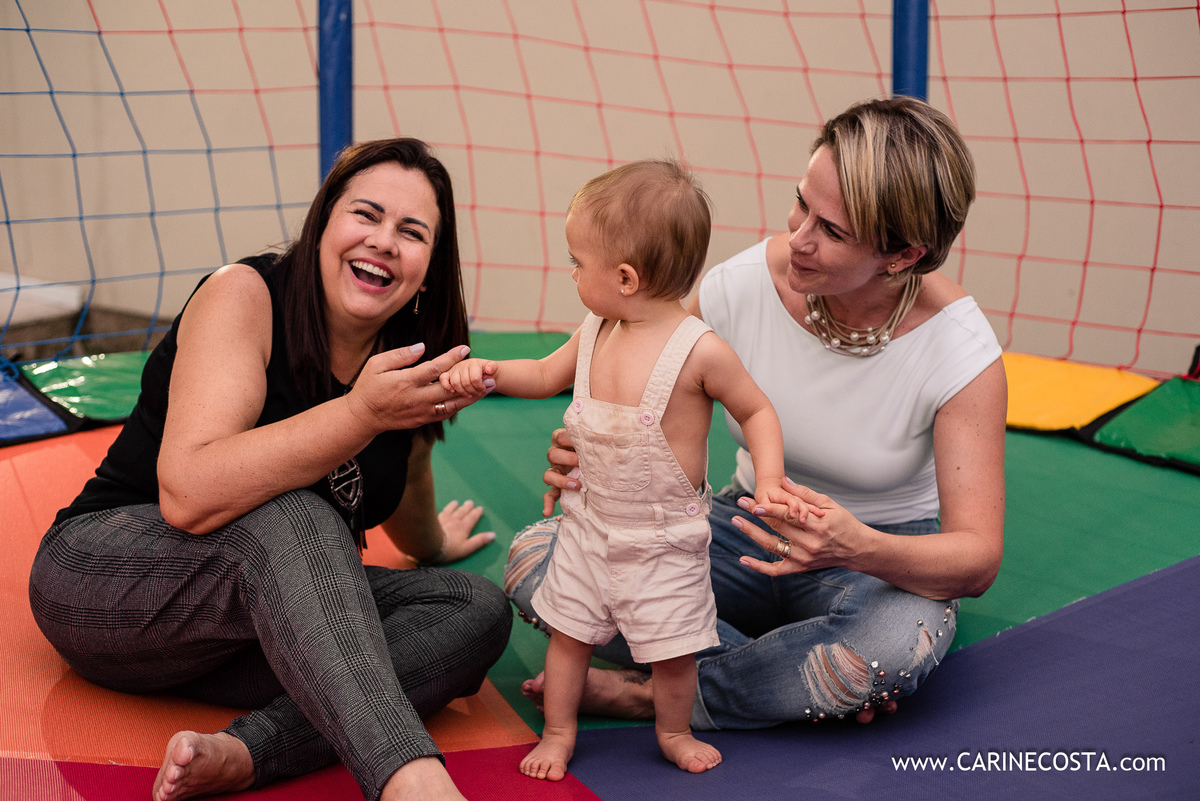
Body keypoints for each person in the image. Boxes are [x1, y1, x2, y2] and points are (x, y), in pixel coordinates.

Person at [27, 138, 510, 801]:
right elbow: (188, 493)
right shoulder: (245, 295)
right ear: (323, 224)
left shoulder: (409, 351)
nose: (384, 240)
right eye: (366, 214)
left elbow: (406, 468)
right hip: (104, 585)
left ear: (429, 267)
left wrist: (432, 545)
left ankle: (251, 752)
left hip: (238, 640)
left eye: (412, 231)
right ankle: (414, 783)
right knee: (295, 512)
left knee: (473, 605)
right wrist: (360, 413)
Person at [505, 96, 1006, 732]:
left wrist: (856, 546)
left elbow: (976, 559)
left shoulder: (961, 351)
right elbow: (647, 386)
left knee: (884, 649)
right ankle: (789, 679)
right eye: (801, 203)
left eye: (832, 232)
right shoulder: (739, 285)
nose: (798, 239)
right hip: (738, 524)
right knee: (535, 561)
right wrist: (594, 446)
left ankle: (655, 694)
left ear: (903, 256)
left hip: (874, 558)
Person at [440, 160, 806, 779]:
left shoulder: (699, 350)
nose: (572, 272)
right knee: (569, 637)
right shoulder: (597, 328)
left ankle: (673, 729)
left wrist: (768, 478)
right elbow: (544, 373)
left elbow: (757, 409)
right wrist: (490, 373)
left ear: (626, 277)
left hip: (664, 541)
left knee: (674, 652)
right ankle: (559, 732)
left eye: (578, 262)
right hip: (587, 528)